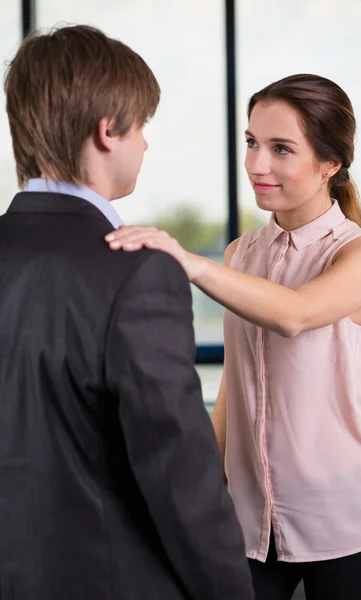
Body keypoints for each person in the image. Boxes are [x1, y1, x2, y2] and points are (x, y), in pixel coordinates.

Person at [106, 73, 361, 599]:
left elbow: (295, 313)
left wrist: (186, 260)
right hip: (245, 523)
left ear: (330, 163)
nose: (257, 165)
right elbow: (234, 396)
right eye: (252, 143)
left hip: (350, 524)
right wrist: (202, 489)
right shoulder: (241, 254)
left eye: (281, 149)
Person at [0, 25, 255, 600]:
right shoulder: (137, 271)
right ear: (107, 131)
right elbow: (181, 481)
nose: (145, 144)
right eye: (141, 126)